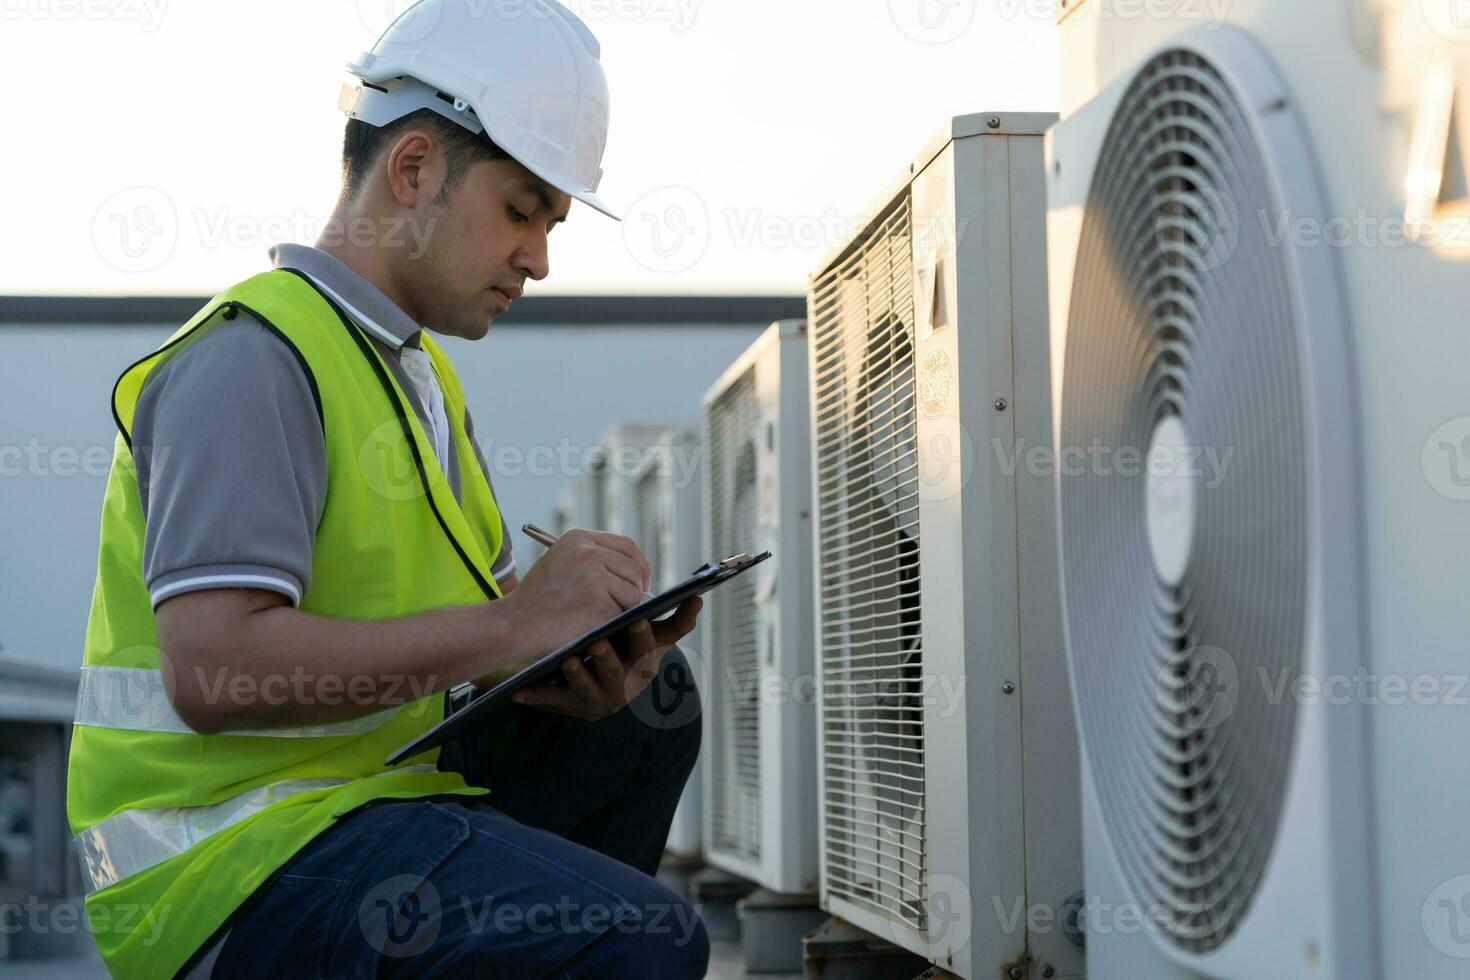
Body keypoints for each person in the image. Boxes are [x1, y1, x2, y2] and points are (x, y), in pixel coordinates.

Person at [65, 2, 709, 976]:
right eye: (523, 209)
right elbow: (210, 667)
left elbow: (455, 653)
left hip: (360, 804)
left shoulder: (415, 380)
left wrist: (567, 666)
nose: (539, 256)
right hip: (221, 871)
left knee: (649, 704)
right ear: (413, 171)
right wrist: (514, 627)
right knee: (648, 935)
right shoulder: (256, 358)